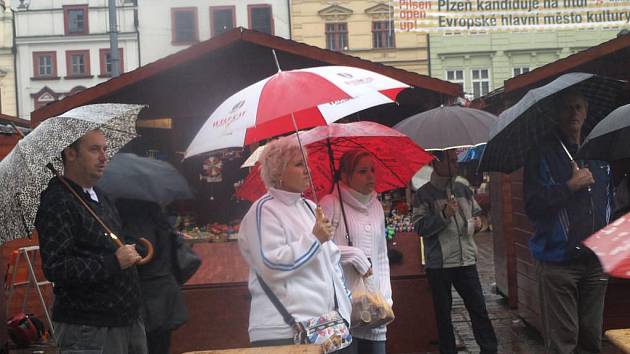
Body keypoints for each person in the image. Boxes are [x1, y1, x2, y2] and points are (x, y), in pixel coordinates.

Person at [35, 130, 148, 354]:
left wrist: (134, 248)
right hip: (88, 330)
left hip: (127, 321)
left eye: (105, 149)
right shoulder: (58, 201)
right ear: (71, 154)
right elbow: (57, 267)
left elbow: (110, 243)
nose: (104, 157)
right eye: (94, 149)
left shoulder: (101, 196)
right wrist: (114, 262)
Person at [238, 135, 353, 352]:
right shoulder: (264, 210)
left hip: (325, 328)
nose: (308, 170)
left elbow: (331, 263)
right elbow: (272, 265)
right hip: (283, 330)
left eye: (307, 163)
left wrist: (345, 309)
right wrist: (314, 239)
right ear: (278, 171)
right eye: (299, 164)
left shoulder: (309, 207)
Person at [523, 88, 612, 353]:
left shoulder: (598, 152)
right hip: (557, 262)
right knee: (564, 343)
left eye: (578, 107)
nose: (573, 113)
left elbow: (608, 200)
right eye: (567, 108)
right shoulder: (542, 154)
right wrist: (569, 186)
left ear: (586, 113)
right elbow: (533, 206)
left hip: (594, 262)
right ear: (557, 113)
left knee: (591, 340)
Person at [412, 149, 497, 354]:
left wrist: (478, 223)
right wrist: (444, 214)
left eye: (455, 160)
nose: (456, 164)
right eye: (451, 161)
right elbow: (420, 227)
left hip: (466, 260)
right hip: (439, 264)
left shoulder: (462, 188)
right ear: (437, 163)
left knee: (479, 310)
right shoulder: (423, 194)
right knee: (443, 316)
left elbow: (478, 214)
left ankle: (489, 349)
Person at [320, 150, 392, 354]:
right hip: (341, 307)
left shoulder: (376, 206)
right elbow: (318, 249)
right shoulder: (330, 203)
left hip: (374, 307)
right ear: (345, 176)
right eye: (362, 171)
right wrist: (352, 254)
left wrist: (386, 295)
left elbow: (381, 256)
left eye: (372, 170)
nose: (371, 176)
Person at [116, 199, 188, 354]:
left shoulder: (136, 216)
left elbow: (142, 250)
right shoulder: (156, 214)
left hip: (150, 300)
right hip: (163, 295)